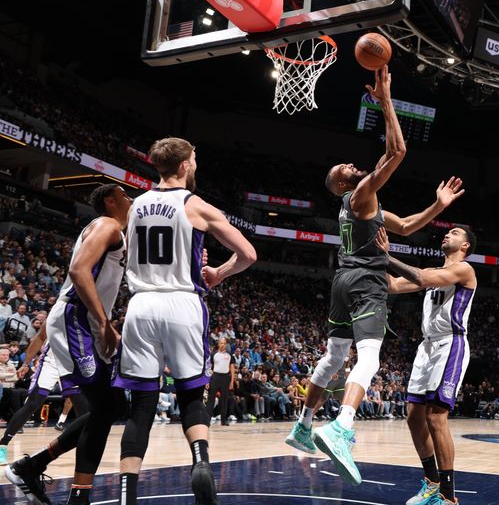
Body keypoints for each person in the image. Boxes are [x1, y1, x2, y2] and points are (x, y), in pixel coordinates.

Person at [284, 66, 465, 486]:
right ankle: (343, 426)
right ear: (343, 182)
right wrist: (386, 101)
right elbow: (397, 152)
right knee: (369, 358)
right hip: (365, 281)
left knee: (331, 358)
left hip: (342, 282)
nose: (349, 163)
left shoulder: (363, 207)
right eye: (343, 167)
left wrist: (438, 206)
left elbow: (405, 226)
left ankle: (303, 425)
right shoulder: (360, 193)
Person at [112, 137, 257, 505]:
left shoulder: (135, 205)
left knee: (141, 405)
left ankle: (127, 492)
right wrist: (218, 273)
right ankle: (201, 464)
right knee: (191, 393)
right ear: (183, 166)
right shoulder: (196, 205)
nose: (195, 164)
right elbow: (248, 254)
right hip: (182, 303)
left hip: (141, 304)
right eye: (194, 159)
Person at [4, 184, 132, 505]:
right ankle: (74, 495)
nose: (131, 201)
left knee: (113, 406)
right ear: (110, 201)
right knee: (104, 407)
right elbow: (77, 270)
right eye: (126, 196)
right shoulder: (107, 224)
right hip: (78, 319)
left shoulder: (118, 233)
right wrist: (104, 323)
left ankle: (32, 466)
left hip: (84, 321)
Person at [377, 226, 476, 505]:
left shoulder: (465, 270)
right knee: (413, 416)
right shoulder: (434, 272)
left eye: (455, 233)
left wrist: (387, 256)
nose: (447, 235)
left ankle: (448, 497)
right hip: (427, 346)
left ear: (465, 245)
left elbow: (420, 276)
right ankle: (432, 483)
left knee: (435, 417)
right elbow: (394, 285)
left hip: (450, 343)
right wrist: (374, 257)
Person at [0, 327, 88, 465]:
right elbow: (40, 337)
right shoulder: (59, 310)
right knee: (33, 404)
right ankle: (3, 445)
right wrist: (25, 363)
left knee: (84, 411)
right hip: (51, 363)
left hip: (74, 364)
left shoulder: (92, 314)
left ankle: (84, 450)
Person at [205, 337, 235, 425]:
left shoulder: (230, 355)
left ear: (226, 344)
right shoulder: (213, 354)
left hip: (225, 378)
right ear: (218, 344)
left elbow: (232, 369)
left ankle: (223, 420)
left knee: (224, 400)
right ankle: (207, 419)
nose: (223, 345)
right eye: (221, 343)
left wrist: (232, 381)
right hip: (215, 377)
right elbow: (209, 368)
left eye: (224, 343)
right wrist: (207, 381)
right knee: (211, 399)